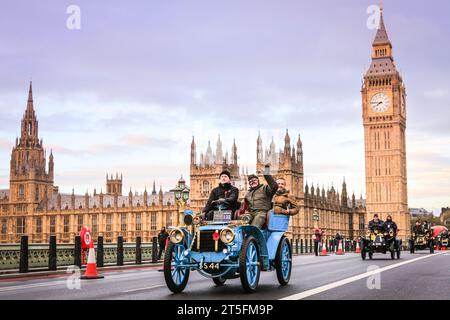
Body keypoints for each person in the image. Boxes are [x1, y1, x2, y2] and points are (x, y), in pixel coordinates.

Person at [241, 162, 278, 228]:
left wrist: (266, 173)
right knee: (241, 221)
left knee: (255, 225)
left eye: (254, 180)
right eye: (251, 181)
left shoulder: (265, 189)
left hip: (262, 212)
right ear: (249, 184)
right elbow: (246, 206)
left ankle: (252, 236)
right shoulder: (248, 194)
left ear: (258, 181)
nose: (253, 182)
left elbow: (274, 186)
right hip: (251, 213)